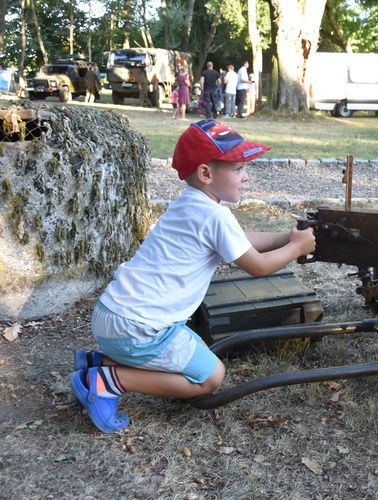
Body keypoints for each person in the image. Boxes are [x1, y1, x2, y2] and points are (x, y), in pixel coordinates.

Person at [69, 119, 317, 434]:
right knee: (210, 377)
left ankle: (99, 362)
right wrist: (297, 248)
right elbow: (258, 266)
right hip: (140, 329)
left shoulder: (189, 203)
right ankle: (107, 381)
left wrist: (286, 237)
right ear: (205, 173)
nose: (246, 176)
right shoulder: (215, 215)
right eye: (239, 169)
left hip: (112, 316)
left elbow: (240, 241)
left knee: (196, 349)